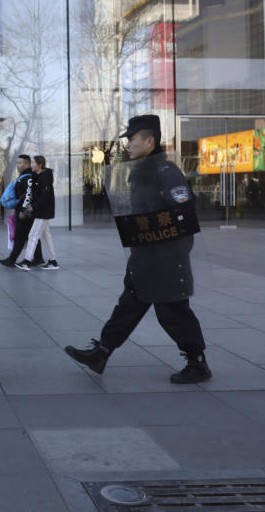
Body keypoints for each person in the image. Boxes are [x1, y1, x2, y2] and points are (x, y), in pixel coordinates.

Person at [64, 114, 211, 384]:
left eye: (132, 139)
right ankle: (102, 352)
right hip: (145, 256)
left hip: (165, 258)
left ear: (150, 141)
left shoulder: (166, 172)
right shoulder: (141, 173)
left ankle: (197, 363)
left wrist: (170, 253)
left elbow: (183, 215)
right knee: (128, 306)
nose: (127, 144)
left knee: (173, 312)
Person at [15, 155, 58, 271]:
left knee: (33, 235)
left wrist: (33, 206)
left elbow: (46, 196)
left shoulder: (45, 177)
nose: (31, 165)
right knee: (46, 236)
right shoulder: (36, 175)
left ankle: (27, 261)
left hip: (43, 212)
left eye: (33, 163)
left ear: (40, 165)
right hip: (40, 211)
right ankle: (53, 261)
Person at [0, 155, 37, 267]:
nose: (18, 165)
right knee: (30, 235)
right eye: (17, 163)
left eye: (20, 163)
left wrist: (23, 211)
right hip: (25, 211)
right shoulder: (25, 177)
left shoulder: (28, 178)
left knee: (20, 235)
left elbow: (28, 195)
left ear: (27, 164)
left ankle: (12, 259)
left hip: (25, 212)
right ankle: (38, 258)